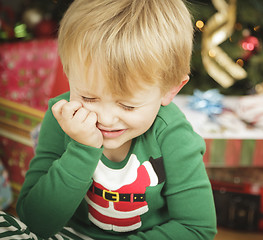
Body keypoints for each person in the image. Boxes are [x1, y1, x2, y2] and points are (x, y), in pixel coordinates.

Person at [6, 0, 217, 239]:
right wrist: (82, 149)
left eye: (128, 105)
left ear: (170, 90)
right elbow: (34, 221)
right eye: (88, 97)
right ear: (69, 73)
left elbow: (196, 228)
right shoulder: (63, 116)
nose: (105, 119)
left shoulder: (174, 135)